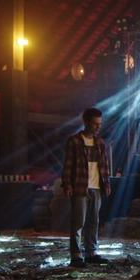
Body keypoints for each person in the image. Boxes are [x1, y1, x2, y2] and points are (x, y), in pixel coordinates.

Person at [62, 107, 112, 267]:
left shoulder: (100, 143)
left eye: (100, 124)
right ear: (86, 122)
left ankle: (91, 252)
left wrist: (107, 184)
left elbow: (105, 165)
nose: (98, 127)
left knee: (93, 222)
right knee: (78, 222)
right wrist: (67, 184)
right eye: (95, 124)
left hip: (96, 187)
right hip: (80, 186)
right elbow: (68, 165)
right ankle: (76, 255)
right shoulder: (74, 141)